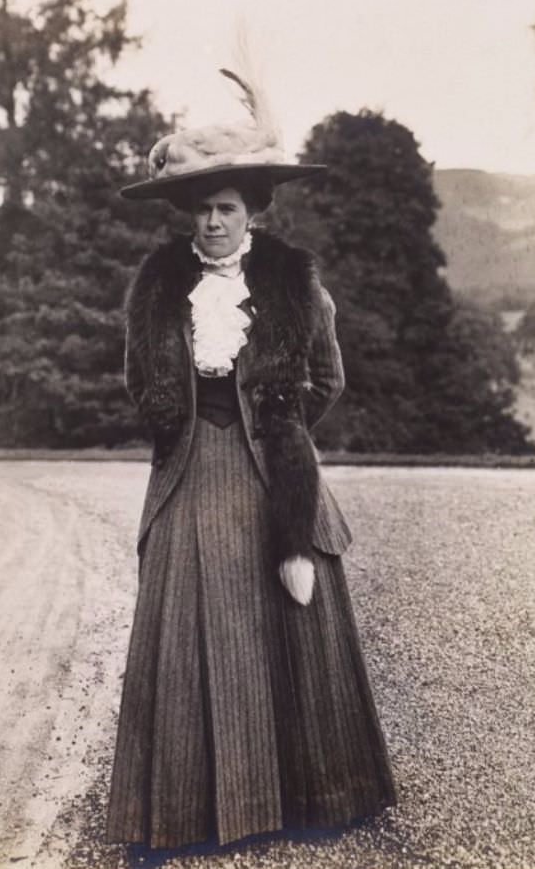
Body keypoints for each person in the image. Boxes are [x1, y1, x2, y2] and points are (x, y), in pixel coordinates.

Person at [104, 68, 397, 850]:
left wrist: (278, 421)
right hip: (190, 468)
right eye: (200, 208)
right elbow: (138, 378)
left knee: (293, 614)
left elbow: (327, 379)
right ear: (185, 216)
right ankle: (183, 810)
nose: (212, 223)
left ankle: (314, 793)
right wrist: (183, 420)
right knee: (185, 619)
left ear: (252, 211)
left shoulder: (296, 283)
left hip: (275, 464)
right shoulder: (160, 287)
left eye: (226, 207)